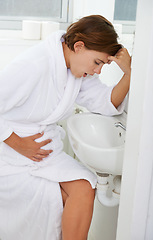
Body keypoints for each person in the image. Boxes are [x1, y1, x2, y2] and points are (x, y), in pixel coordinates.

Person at [0, 15, 131, 240]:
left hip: (44, 153)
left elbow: (107, 102)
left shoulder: (75, 68)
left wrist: (129, 73)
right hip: (11, 154)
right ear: (79, 46)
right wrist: (19, 144)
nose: (98, 71)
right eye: (98, 62)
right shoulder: (34, 65)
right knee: (64, 196)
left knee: (85, 186)